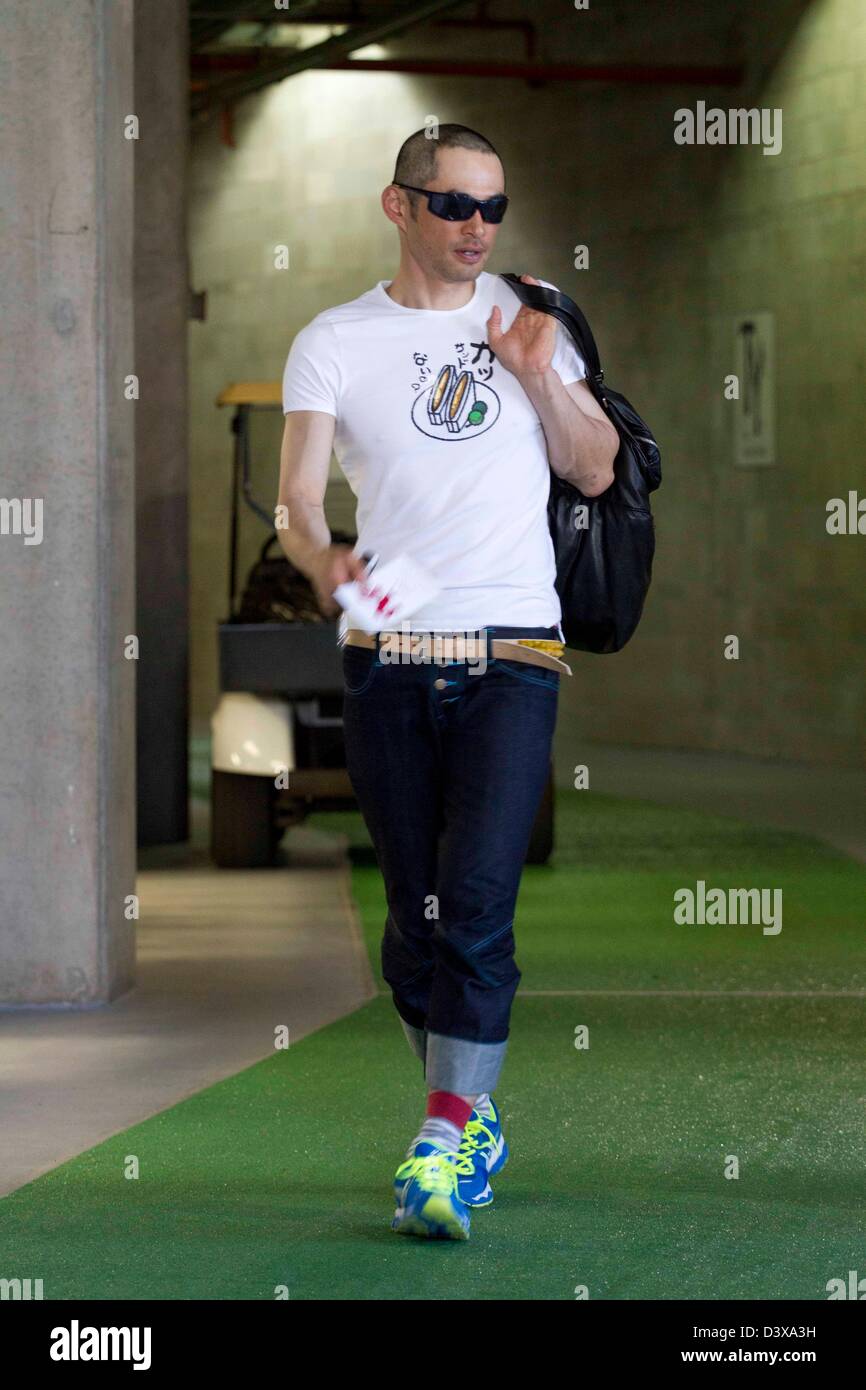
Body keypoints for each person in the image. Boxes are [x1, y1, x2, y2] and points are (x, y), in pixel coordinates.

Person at [277, 124, 618, 1240]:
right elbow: (296, 497)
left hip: (513, 650)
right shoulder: (333, 338)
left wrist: (535, 374)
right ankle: (467, 1112)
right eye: (454, 207)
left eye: (492, 209)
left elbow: (593, 464)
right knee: (412, 928)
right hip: (388, 653)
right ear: (399, 206)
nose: (476, 229)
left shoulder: (531, 326)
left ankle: (440, 1143)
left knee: (473, 905)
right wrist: (317, 555)